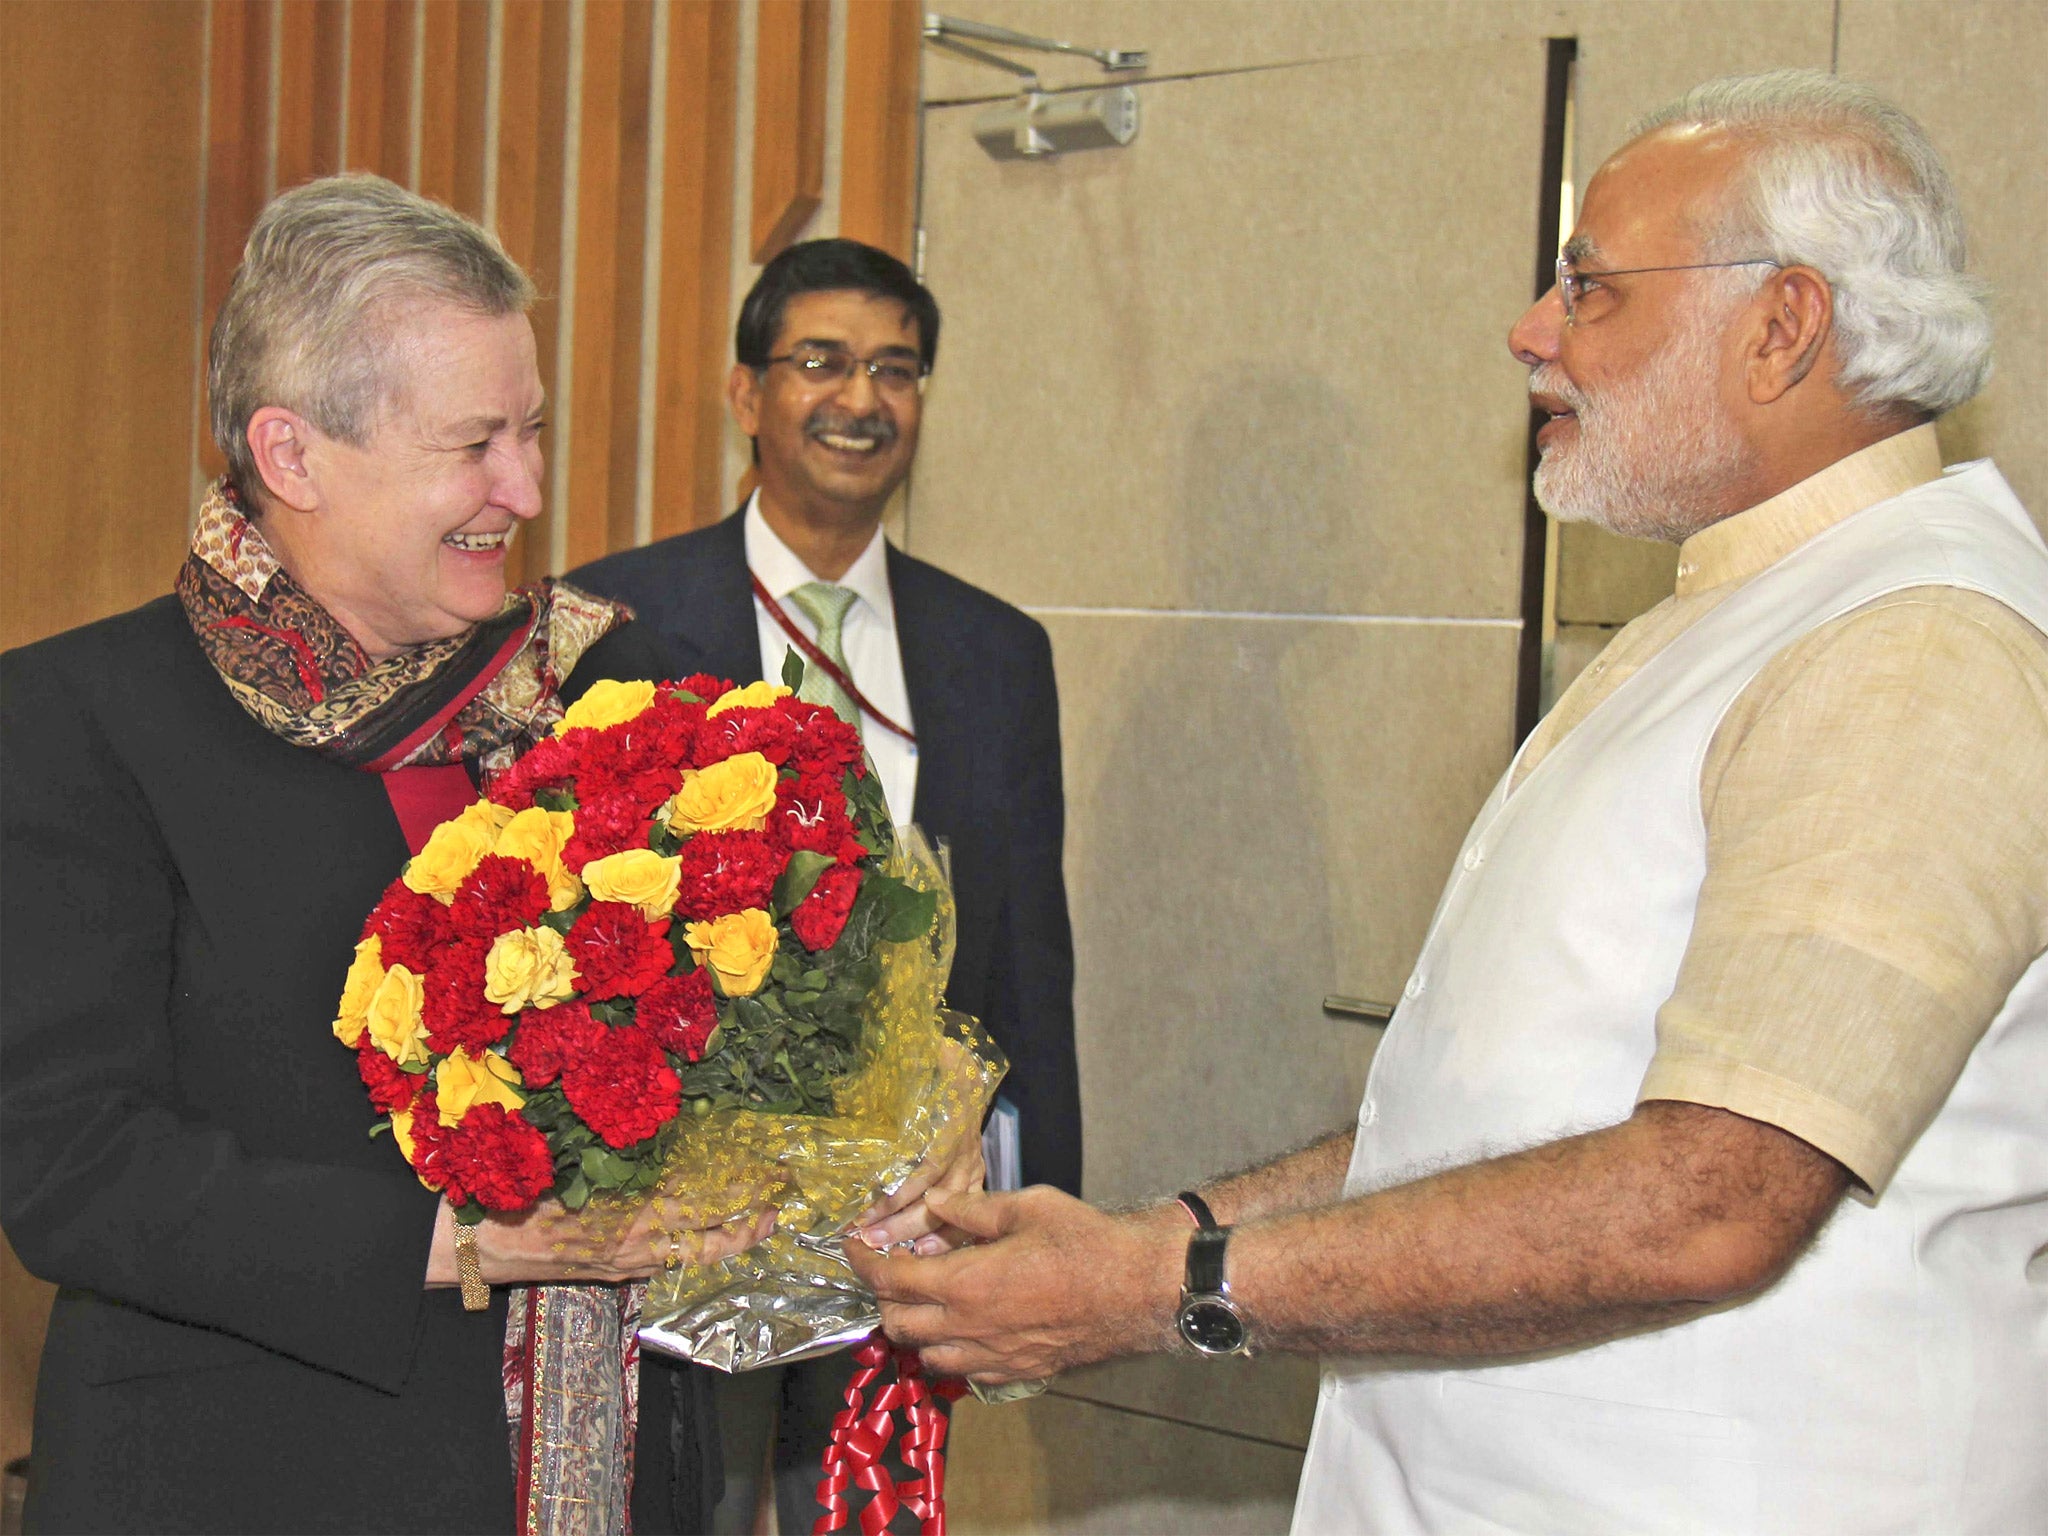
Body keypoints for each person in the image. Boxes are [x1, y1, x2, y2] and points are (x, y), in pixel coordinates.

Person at [849, 69, 2048, 1534]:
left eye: (1590, 288)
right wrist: (1166, 1232)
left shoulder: (1911, 645)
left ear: (1783, 326)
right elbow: (1504, 1114)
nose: (1530, 331)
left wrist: (1161, 1293)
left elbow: (1714, 1195)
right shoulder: (1746, 606)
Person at [0, 173, 773, 1534]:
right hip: (243, 1480)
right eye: (474, 445)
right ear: (291, 456)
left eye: (532, 432)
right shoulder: (79, 723)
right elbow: (72, 1169)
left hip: (601, 1482)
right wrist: (467, 1244)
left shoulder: (612, 686)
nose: (524, 490)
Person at [570, 236, 1081, 1532]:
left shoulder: (998, 651)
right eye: (823, 362)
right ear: (747, 395)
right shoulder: (614, 621)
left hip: (906, 1211)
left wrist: (1031, 1201)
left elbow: (1028, 950)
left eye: (897, 370)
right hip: (688, 1218)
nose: (863, 399)